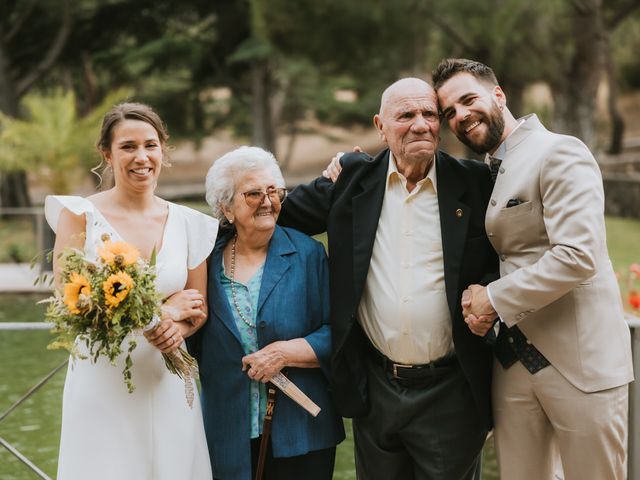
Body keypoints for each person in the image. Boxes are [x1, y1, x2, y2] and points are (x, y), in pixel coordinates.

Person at [277, 78, 497, 480]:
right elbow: (274, 213)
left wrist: (487, 291)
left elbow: (506, 255)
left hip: (451, 389)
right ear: (380, 126)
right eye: (406, 115)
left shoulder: (477, 184)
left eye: (430, 114)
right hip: (376, 387)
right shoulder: (351, 181)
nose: (420, 125)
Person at [432, 58, 634, 480]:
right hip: (512, 367)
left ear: (499, 95)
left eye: (468, 100)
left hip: (581, 363)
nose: (461, 116)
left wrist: (493, 298)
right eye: (450, 112)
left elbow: (578, 255)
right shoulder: (485, 173)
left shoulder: (560, 151)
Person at [45, 102, 217, 480]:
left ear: (163, 150)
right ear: (106, 154)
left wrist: (180, 327)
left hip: (168, 378)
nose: (142, 157)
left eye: (150, 145)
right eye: (127, 147)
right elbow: (69, 303)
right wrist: (164, 313)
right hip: (102, 380)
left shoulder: (189, 223)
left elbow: (197, 309)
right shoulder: (79, 216)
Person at [187, 146, 344, 480]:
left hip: (303, 431)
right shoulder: (204, 262)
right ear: (226, 208)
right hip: (226, 431)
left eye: (273, 191)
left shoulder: (308, 254)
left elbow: (341, 332)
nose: (267, 201)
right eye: (254, 193)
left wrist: (286, 352)